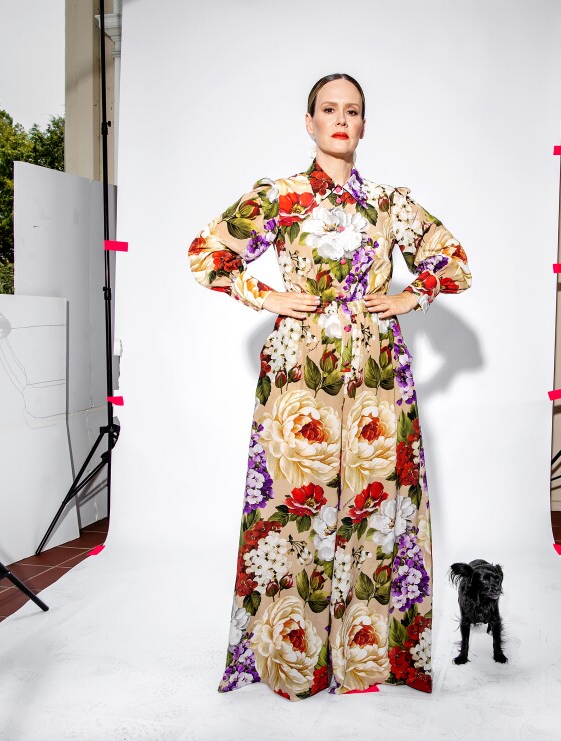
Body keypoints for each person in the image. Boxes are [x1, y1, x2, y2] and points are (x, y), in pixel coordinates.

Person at [190, 73, 471, 701]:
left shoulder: (388, 204)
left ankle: (365, 659)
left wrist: (408, 295)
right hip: (300, 376)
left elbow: (453, 260)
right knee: (296, 513)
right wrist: (264, 294)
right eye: (328, 109)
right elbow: (207, 253)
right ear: (310, 121)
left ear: (364, 125)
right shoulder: (282, 196)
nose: (340, 119)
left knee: (373, 511)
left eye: (353, 110)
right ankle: (294, 660)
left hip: (376, 375)